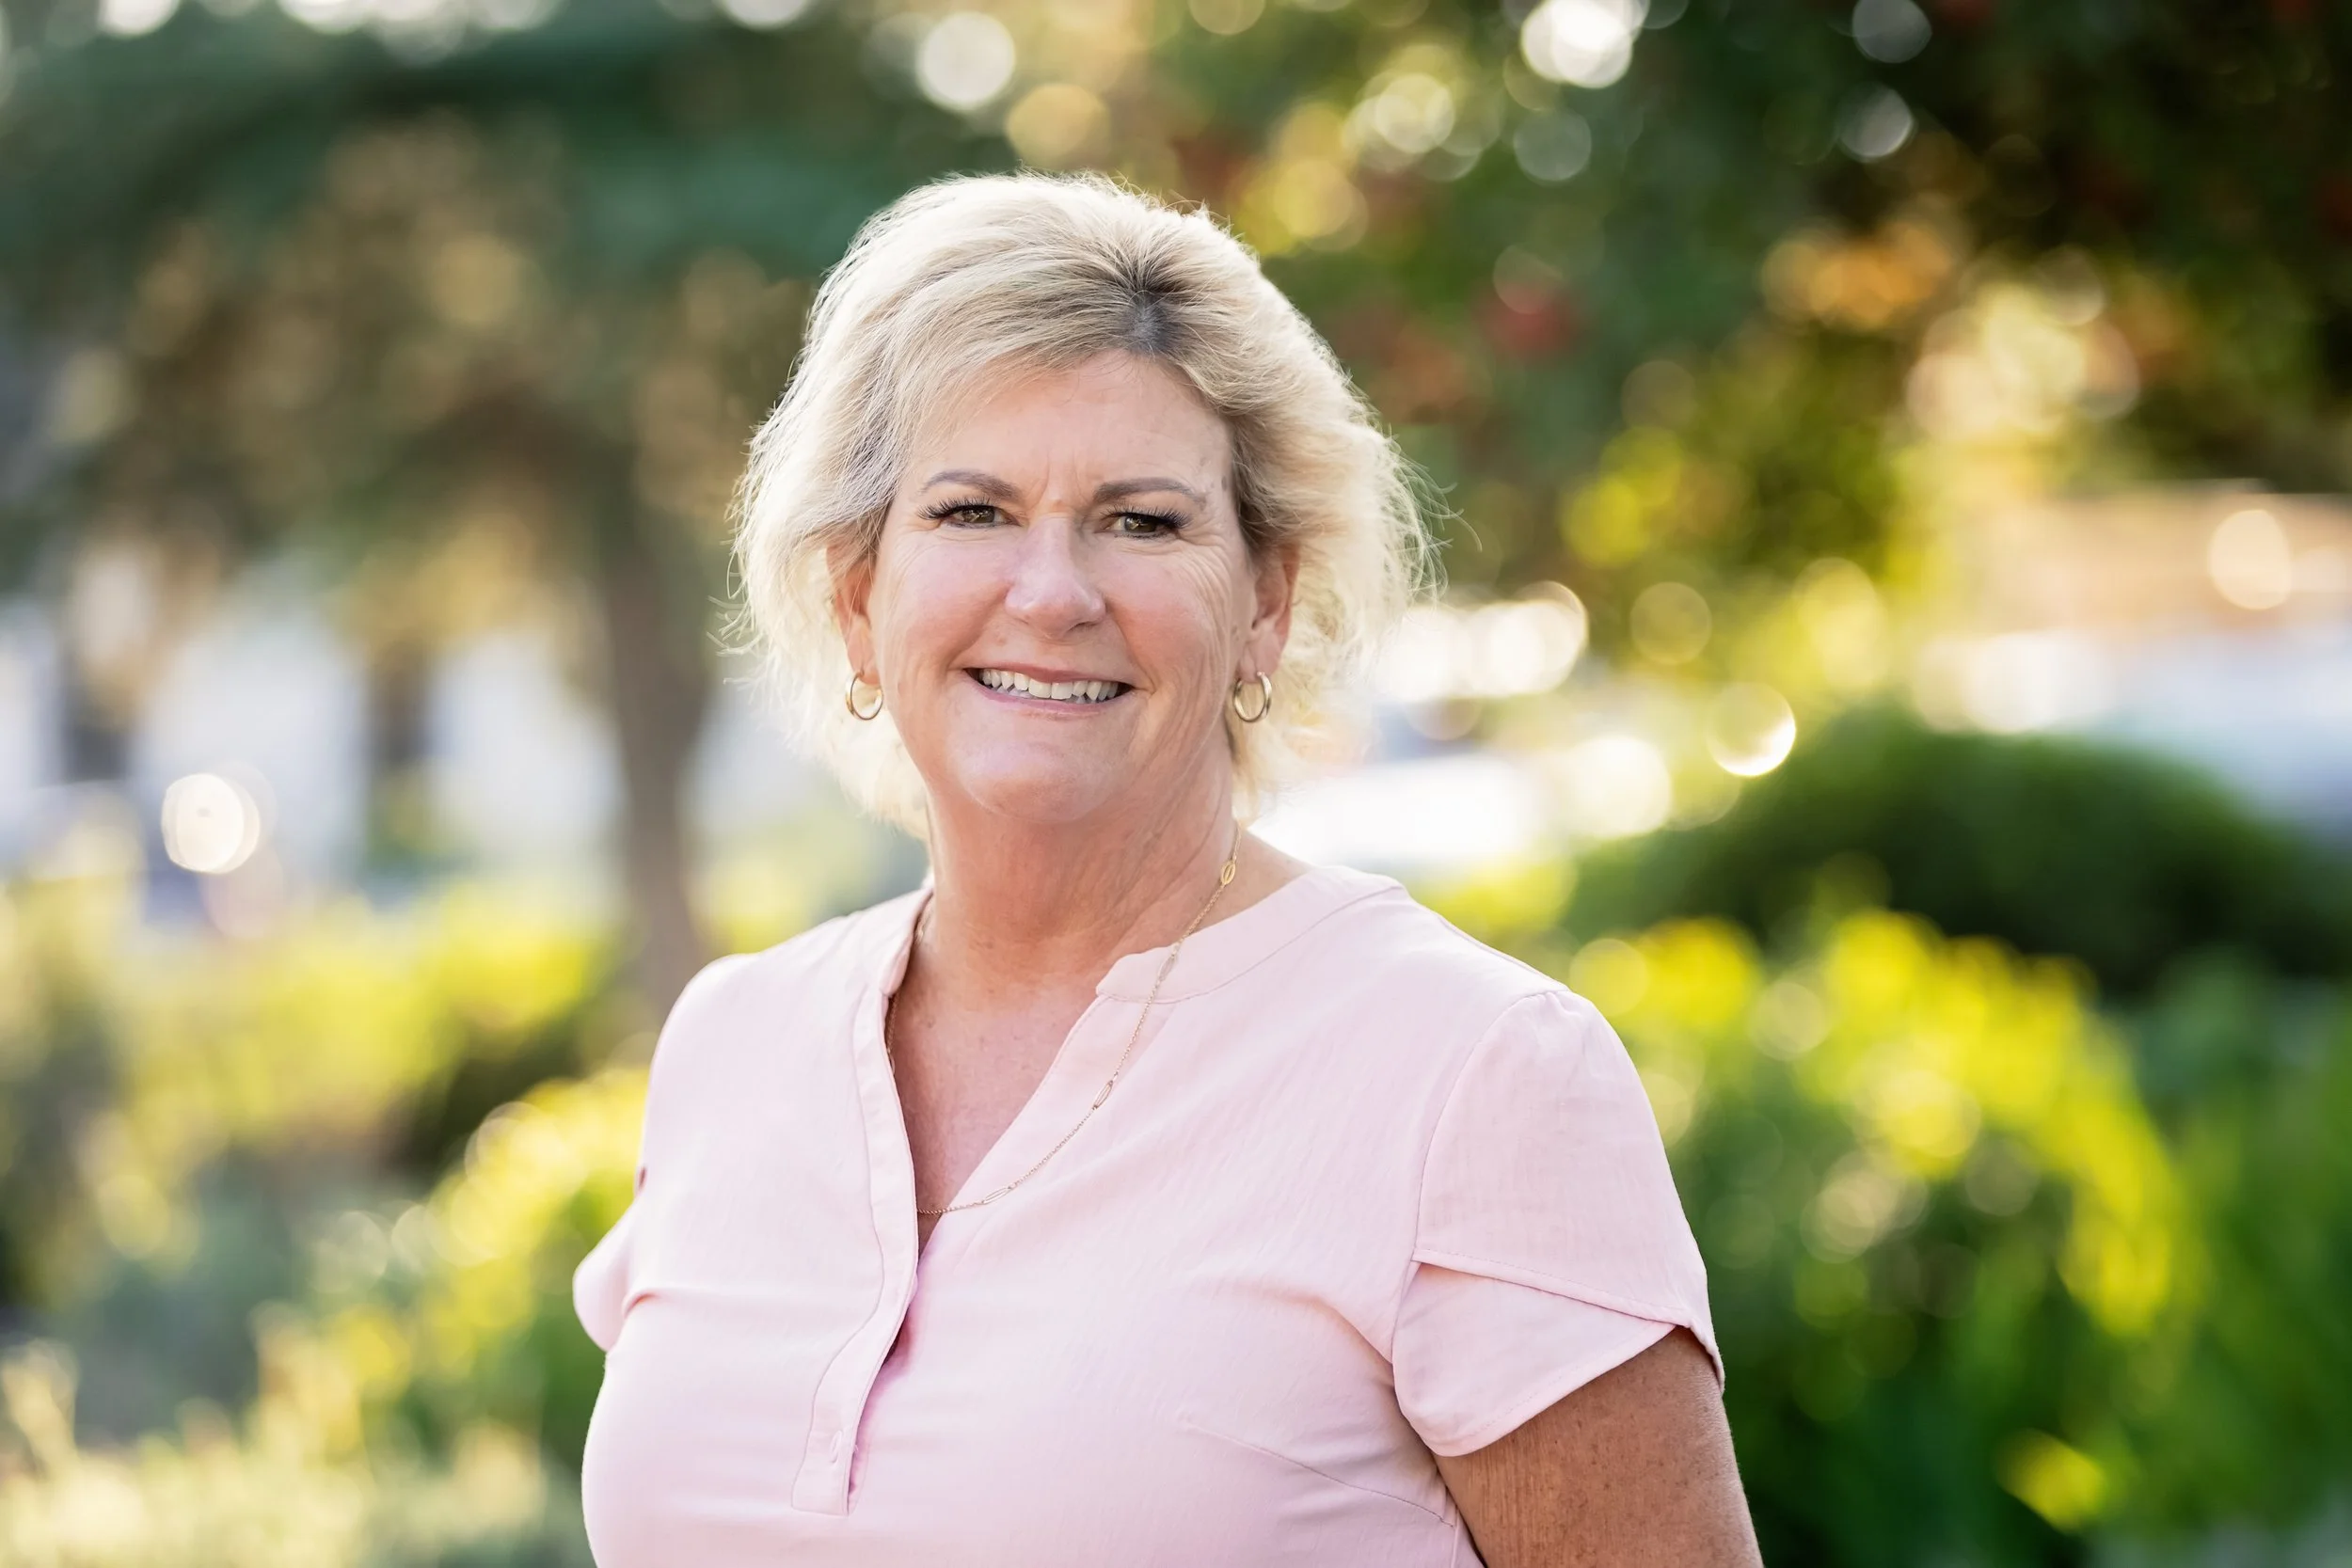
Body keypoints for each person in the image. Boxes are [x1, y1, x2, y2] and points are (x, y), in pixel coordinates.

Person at [572, 170, 1762, 1567]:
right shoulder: (732, 1044)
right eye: (970, 511)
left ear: (1265, 601)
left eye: (1142, 520)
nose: (1052, 592)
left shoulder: (1475, 1072)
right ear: (855, 593)